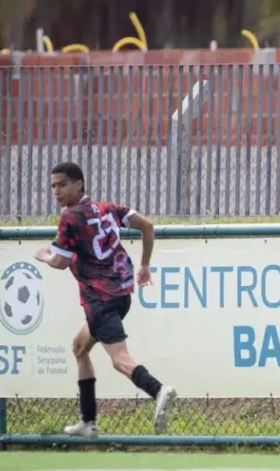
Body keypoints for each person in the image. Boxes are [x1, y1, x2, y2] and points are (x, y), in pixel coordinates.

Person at [34, 162, 177, 440]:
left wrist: (44, 256)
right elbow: (147, 226)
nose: (56, 191)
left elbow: (61, 262)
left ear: (79, 184)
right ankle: (88, 422)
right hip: (122, 296)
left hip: (100, 300)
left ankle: (158, 390)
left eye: (62, 184)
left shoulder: (69, 218)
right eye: (53, 186)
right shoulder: (106, 209)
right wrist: (145, 265)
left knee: (120, 359)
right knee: (79, 347)